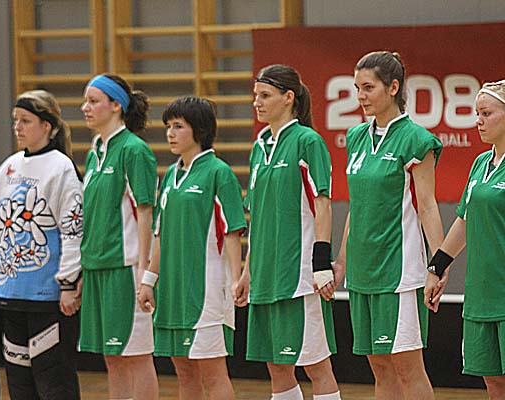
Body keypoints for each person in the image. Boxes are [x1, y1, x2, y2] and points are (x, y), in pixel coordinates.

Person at [334, 51, 443, 400]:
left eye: (368, 88)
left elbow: (427, 206)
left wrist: (438, 265)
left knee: (408, 370)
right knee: (379, 369)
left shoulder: (417, 140)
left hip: (398, 273)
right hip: (361, 272)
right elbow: (357, 206)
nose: (360, 96)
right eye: (357, 88)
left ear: (393, 87)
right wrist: (341, 261)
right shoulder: (355, 137)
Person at [236, 64, 341, 400]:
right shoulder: (260, 146)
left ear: (288, 97)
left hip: (299, 277)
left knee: (316, 366)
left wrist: (321, 263)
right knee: (277, 366)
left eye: (265, 95)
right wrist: (247, 271)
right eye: (256, 95)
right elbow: (258, 217)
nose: (257, 102)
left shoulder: (308, 141)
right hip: (264, 276)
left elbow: (322, 205)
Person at [0, 90, 82, 399]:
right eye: (15, 121)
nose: (17, 127)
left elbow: (73, 230)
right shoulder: (8, 166)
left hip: (46, 295)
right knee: (19, 381)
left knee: (53, 380)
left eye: (26, 121)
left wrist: (68, 283)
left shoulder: (61, 168)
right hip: (9, 291)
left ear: (46, 126)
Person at [137, 96, 246, 399]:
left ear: (199, 129)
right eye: (168, 127)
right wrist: (148, 281)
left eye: (178, 126)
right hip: (172, 292)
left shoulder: (219, 172)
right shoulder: (171, 176)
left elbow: (233, 231)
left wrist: (236, 280)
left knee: (213, 373)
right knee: (184, 372)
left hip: (207, 291)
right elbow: (160, 234)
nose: (170, 134)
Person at [79, 74, 159, 400]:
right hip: (95, 265)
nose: (85, 107)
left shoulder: (134, 150)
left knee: (136, 355)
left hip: (125, 267)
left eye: (93, 101)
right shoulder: (95, 151)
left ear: (116, 105)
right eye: (85, 101)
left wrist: (144, 272)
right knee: (112, 357)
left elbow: (146, 213)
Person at [424, 80, 505, 399]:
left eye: (486, 113)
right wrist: (437, 267)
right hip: (482, 294)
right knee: (494, 383)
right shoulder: (480, 164)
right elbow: (464, 220)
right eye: (476, 114)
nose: (478, 121)